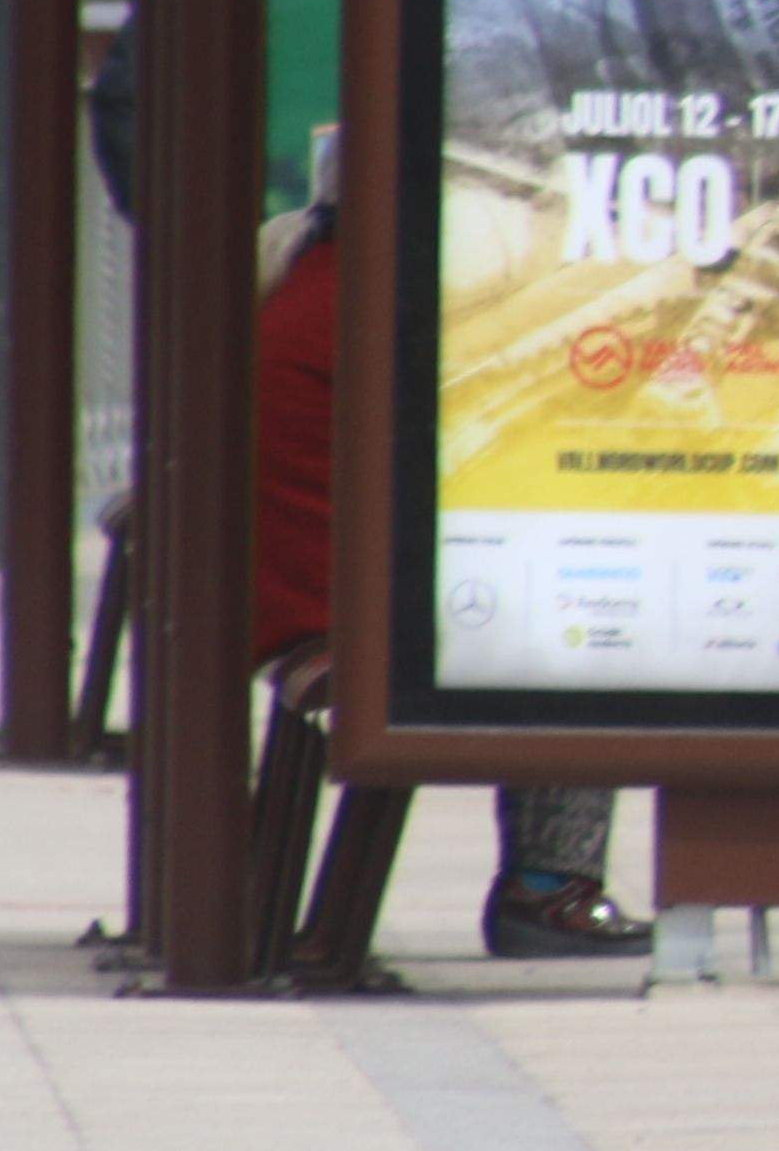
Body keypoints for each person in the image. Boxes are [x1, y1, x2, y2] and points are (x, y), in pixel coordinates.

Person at [247, 139, 644, 960]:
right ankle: (549, 890)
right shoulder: (380, 304)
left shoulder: (318, 280)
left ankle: (547, 887)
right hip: (329, 606)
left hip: (295, 584)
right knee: (585, 619)